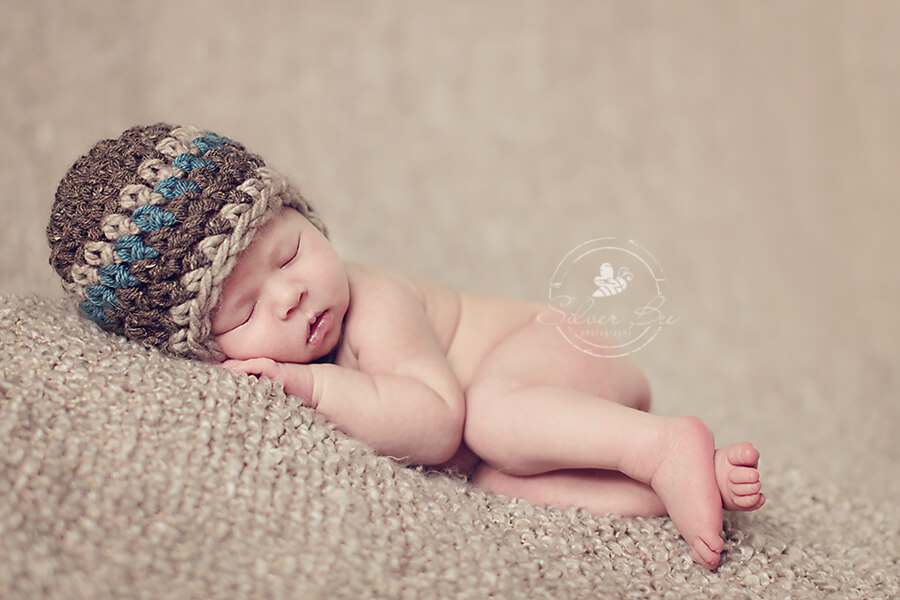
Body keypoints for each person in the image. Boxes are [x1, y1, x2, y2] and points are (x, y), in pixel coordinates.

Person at [48, 124, 765, 570]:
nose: (291, 294)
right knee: (497, 484)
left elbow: (433, 420)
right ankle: (673, 481)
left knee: (487, 420)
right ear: (202, 352)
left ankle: (658, 444)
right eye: (243, 310)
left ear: (307, 214)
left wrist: (321, 390)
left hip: (554, 352)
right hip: (539, 435)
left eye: (291, 251)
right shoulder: (280, 325)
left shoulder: (371, 302)